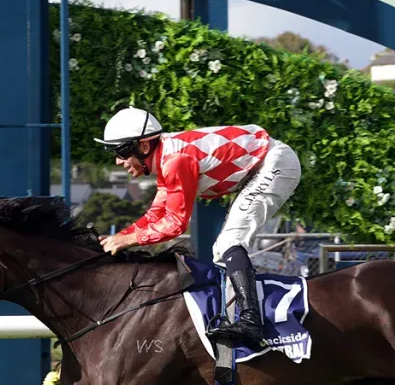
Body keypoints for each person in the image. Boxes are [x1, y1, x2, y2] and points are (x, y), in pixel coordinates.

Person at [95, 106, 301, 343]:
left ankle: (252, 322)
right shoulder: (166, 156)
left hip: (275, 163)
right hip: (262, 165)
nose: (118, 161)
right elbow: (155, 215)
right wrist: (117, 238)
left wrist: (127, 240)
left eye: (121, 152)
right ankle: (236, 317)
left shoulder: (175, 160)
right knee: (221, 252)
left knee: (230, 243)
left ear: (143, 146)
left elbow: (175, 224)